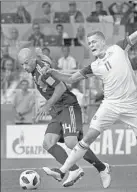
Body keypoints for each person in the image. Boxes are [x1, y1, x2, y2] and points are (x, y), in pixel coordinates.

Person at [43, 4, 137, 181]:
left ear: (103, 42)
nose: (91, 45)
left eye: (94, 42)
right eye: (89, 43)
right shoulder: (94, 66)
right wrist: (53, 72)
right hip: (110, 104)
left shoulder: (118, 48)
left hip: (131, 105)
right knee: (87, 139)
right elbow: (70, 79)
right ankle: (63, 170)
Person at [17, 48, 111, 188]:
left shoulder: (42, 72)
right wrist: (40, 54)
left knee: (71, 142)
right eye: (21, 65)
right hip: (57, 110)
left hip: (68, 106)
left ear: (32, 60)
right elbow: (44, 59)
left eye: (25, 63)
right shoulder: (36, 66)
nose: (24, 67)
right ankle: (74, 170)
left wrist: (47, 104)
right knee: (48, 143)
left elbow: (60, 87)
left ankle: (102, 168)